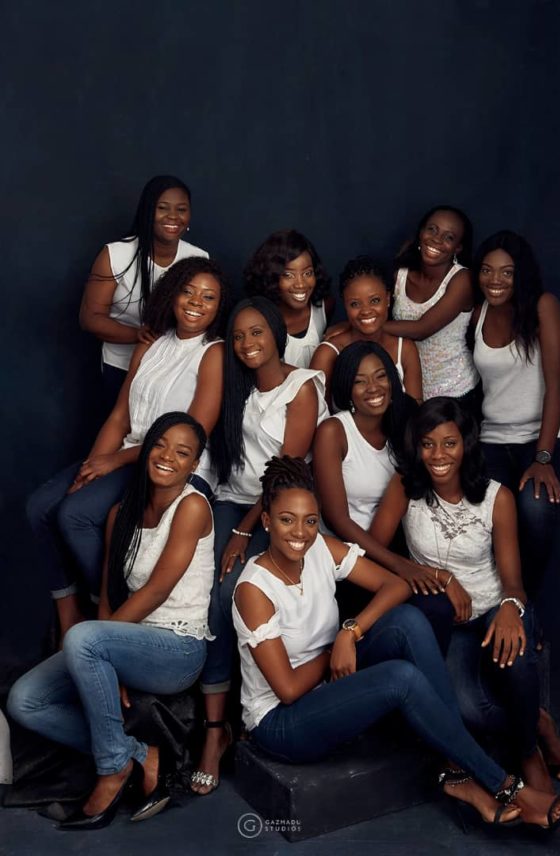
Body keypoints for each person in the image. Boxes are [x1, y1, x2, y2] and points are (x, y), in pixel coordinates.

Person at [232, 455, 560, 831]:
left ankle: (457, 771)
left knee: (407, 622)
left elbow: (395, 585)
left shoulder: (320, 549)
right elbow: (287, 689)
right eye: (286, 520)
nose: (300, 532)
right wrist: (336, 648)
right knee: (400, 678)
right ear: (266, 520)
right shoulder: (254, 589)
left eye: (310, 520)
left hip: (329, 680)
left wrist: (351, 631)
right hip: (282, 722)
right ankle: (509, 788)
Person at [8, 413, 215, 829]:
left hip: (178, 649)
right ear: (146, 448)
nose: (167, 456)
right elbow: (108, 594)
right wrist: (107, 647)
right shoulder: (121, 513)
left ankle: (112, 771)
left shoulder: (192, 507)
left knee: (83, 638)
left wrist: (105, 646)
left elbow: (157, 590)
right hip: (126, 639)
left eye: (182, 452)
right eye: (160, 445)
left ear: (194, 465)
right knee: (25, 700)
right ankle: (137, 755)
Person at [370, 397, 560, 791]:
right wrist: (434, 575)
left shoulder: (497, 497)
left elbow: (513, 581)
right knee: (470, 711)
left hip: (496, 608)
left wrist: (510, 608)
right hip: (453, 624)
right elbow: (375, 551)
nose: (438, 455)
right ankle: (536, 720)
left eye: (449, 443)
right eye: (428, 444)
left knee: (517, 660)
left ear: (465, 444)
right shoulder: (404, 487)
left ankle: (529, 752)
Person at [27, 257, 228, 639]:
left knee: (74, 515)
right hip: (128, 454)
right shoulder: (150, 345)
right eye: (188, 292)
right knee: (40, 507)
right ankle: (70, 612)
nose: (195, 303)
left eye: (208, 297)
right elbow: (120, 417)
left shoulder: (213, 353)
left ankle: (108, 604)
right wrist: (92, 467)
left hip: (171, 462)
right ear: (172, 294)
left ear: (219, 307)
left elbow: (196, 432)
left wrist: (113, 461)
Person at [191, 296, 328, 795]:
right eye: (239, 336)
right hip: (232, 501)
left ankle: (238, 718)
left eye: (257, 333)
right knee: (206, 594)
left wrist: (247, 529)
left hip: (274, 509)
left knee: (231, 593)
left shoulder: (302, 387)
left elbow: (284, 472)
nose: (248, 344)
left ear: (276, 333)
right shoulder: (236, 384)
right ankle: (215, 725)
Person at [313, 341, 452, 647]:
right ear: (347, 389)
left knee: (438, 607)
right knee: (403, 621)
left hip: (392, 545)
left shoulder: (402, 424)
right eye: (360, 381)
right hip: (349, 560)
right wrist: (400, 565)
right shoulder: (333, 432)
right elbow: (337, 519)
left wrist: (429, 569)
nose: (373, 388)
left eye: (380, 377)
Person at [471, 231, 560, 601]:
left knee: (534, 507)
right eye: (487, 270)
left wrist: (543, 457)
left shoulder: (542, 306)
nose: (495, 280)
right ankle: (492, 603)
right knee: (481, 512)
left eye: (507, 272)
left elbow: (556, 386)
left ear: (522, 275)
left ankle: (522, 605)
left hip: (548, 437)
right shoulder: (478, 313)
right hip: (493, 441)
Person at [79, 175, 208, 404]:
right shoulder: (116, 255)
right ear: (147, 211)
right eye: (162, 208)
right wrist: (137, 335)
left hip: (175, 368)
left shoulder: (198, 258)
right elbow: (90, 318)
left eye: (181, 209)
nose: (173, 216)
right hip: (121, 366)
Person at [386, 206, 479, 409]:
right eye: (432, 229)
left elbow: (421, 329)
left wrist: (359, 326)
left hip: (455, 393)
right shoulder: (400, 274)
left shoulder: (462, 280)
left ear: (458, 248)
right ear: (421, 232)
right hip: (410, 392)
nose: (437, 239)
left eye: (449, 237)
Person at [311, 256, 422, 406]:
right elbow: (317, 413)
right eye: (355, 304)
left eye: (375, 300)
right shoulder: (328, 354)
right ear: (345, 305)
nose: (366, 311)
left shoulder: (405, 349)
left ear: (388, 299)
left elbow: (416, 410)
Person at [244, 229, 334, 368]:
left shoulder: (325, 306)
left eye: (307, 273)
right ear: (271, 277)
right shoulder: (259, 321)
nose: (300, 284)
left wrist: (345, 327)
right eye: (288, 275)